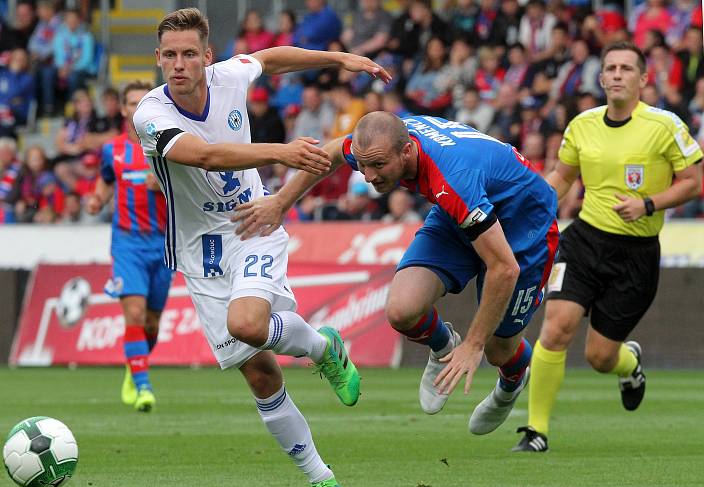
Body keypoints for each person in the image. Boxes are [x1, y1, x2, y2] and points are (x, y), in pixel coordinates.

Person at [132, 8, 390, 487]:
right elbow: (205, 156)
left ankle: (319, 348)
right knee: (261, 377)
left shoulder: (228, 76)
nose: (179, 64)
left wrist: (338, 57)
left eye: (189, 54)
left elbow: (269, 59)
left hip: (255, 223)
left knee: (248, 323)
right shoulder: (150, 114)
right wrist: (284, 152)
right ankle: (323, 478)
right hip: (199, 250)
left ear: (208, 57)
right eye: (169, 55)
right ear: (158, 60)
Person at [233, 111, 559, 439]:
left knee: (497, 349)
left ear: (406, 152)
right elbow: (332, 152)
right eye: (362, 165)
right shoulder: (380, 142)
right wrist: (281, 202)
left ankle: (512, 381)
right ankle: (443, 347)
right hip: (462, 213)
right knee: (402, 310)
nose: (369, 176)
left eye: (377, 166)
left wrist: (474, 345)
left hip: (524, 226)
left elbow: (504, 268)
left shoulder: (453, 178)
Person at [512, 41, 703, 453]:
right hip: (584, 240)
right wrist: (526, 206)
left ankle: (628, 364)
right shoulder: (582, 124)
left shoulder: (665, 125)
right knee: (556, 327)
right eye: (610, 68)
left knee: (600, 357)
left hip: (636, 253)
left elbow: (693, 182)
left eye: (626, 68)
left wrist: (648, 203)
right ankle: (536, 431)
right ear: (601, 79)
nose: (617, 74)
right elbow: (562, 178)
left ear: (643, 79)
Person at [86, 82, 174, 413]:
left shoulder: (168, 147)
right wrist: (98, 199)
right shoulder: (113, 150)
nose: (138, 108)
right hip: (127, 243)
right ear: (123, 109)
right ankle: (143, 386)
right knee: (134, 314)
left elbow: (190, 191)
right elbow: (107, 179)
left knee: (150, 324)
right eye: (132, 103)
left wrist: (164, 184)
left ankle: (133, 365)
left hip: (164, 244)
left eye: (143, 102)